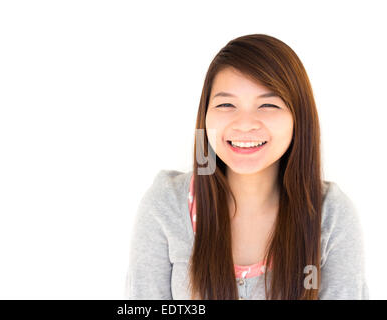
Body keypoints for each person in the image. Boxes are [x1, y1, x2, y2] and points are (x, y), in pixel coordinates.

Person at [125, 34, 369, 300]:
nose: (245, 123)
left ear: (298, 118)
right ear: (205, 116)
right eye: (226, 104)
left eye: (268, 105)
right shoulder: (166, 204)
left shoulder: (331, 215)